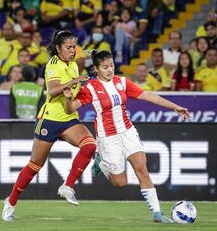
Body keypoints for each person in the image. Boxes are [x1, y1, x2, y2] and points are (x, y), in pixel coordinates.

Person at [62, 50, 190, 223]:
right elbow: (70, 110)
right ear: (96, 69)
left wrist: (175, 106)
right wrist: (68, 99)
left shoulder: (122, 82)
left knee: (142, 169)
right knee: (120, 183)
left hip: (128, 132)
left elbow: (148, 96)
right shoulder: (90, 88)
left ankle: (157, 214)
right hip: (108, 139)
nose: (110, 70)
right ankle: (101, 162)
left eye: (112, 65)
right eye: (105, 67)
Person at [2, 30, 96, 222]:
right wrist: (74, 81)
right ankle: (10, 202)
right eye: (68, 47)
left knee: (90, 145)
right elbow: (52, 91)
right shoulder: (54, 64)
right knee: (35, 165)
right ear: (59, 48)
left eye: (74, 47)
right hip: (50, 119)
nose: (72, 50)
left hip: (69, 118)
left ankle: (67, 186)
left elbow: (72, 93)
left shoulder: (74, 66)